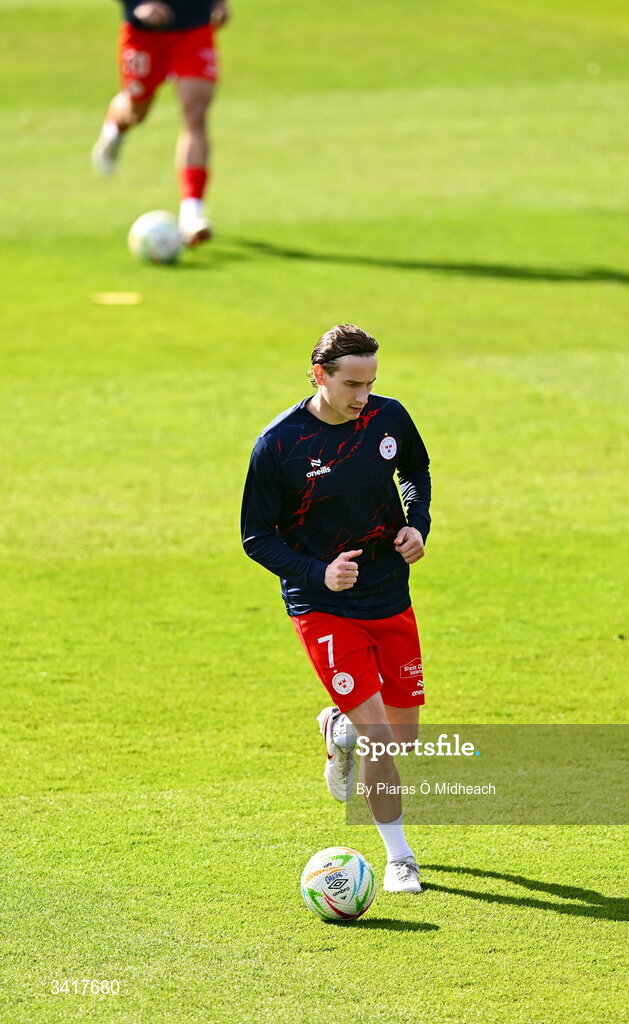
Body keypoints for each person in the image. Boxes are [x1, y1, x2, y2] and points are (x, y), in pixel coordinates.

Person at [241, 325, 431, 894]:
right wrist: (316, 573)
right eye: (351, 384)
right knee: (380, 739)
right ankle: (400, 858)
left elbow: (415, 473)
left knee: (402, 740)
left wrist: (416, 527)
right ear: (318, 375)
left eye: (371, 383)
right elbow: (256, 537)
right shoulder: (279, 445)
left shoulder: (387, 417)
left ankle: (338, 726)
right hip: (322, 603)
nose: (362, 397)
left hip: (388, 593)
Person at [91, 0, 230, 245]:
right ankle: (115, 129)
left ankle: (192, 213)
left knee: (195, 114)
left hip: (195, 27)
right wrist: (137, 4)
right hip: (145, 32)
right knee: (137, 111)